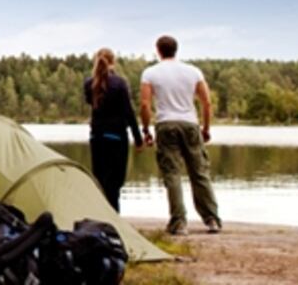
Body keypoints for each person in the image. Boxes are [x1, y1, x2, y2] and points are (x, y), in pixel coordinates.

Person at [140, 34, 221, 235]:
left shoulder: (150, 73)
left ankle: (179, 222)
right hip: (189, 124)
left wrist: (146, 129)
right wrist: (206, 128)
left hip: (165, 124)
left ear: (158, 50)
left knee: (172, 173)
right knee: (199, 172)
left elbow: (144, 104)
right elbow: (206, 102)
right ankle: (211, 219)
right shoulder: (193, 71)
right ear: (176, 50)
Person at [84, 48, 142, 212]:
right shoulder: (120, 83)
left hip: (96, 136)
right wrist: (138, 139)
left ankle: (103, 215)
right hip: (116, 136)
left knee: (100, 179)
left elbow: (92, 103)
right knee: (115, 182)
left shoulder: (89, 83)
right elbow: (128, 112)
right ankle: (114, 215)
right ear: (113, 61)